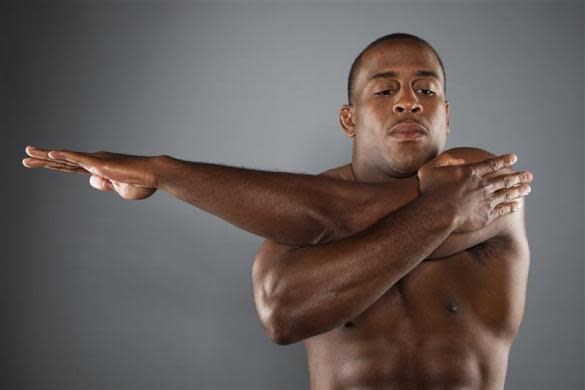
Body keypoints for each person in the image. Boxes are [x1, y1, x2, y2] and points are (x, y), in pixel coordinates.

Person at [22, 33, 532, 389]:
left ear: (448, 114)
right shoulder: (295, 210)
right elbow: (282, 315)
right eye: (384, 90)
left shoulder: (487, 181)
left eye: (427, 90)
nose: (408, 103)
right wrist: (443, 211)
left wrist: (168, 174)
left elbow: (334, 215)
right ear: (349, 120)